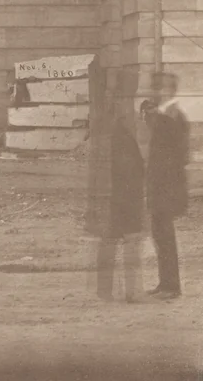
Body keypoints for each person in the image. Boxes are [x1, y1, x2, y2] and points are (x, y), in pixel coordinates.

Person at [93, 71, 145, 303]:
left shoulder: (119, 124)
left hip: (119, 192)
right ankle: (125, 293)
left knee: (118, 240)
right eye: (110, 96)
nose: (114, 101)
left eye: (117, 96)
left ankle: (118, 292)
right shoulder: (113, 127)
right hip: (119, 193)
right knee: (124, 240)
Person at [144, 72, 189, 299]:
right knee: (160, 236)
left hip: (167, 188)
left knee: (165, 237)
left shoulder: (173, 117)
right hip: (160, 187)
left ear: (169, 91)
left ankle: (172, 287)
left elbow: (179, 156)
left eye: (158, 88)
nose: (154, 92)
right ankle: (165, 284)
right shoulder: (164, 116)